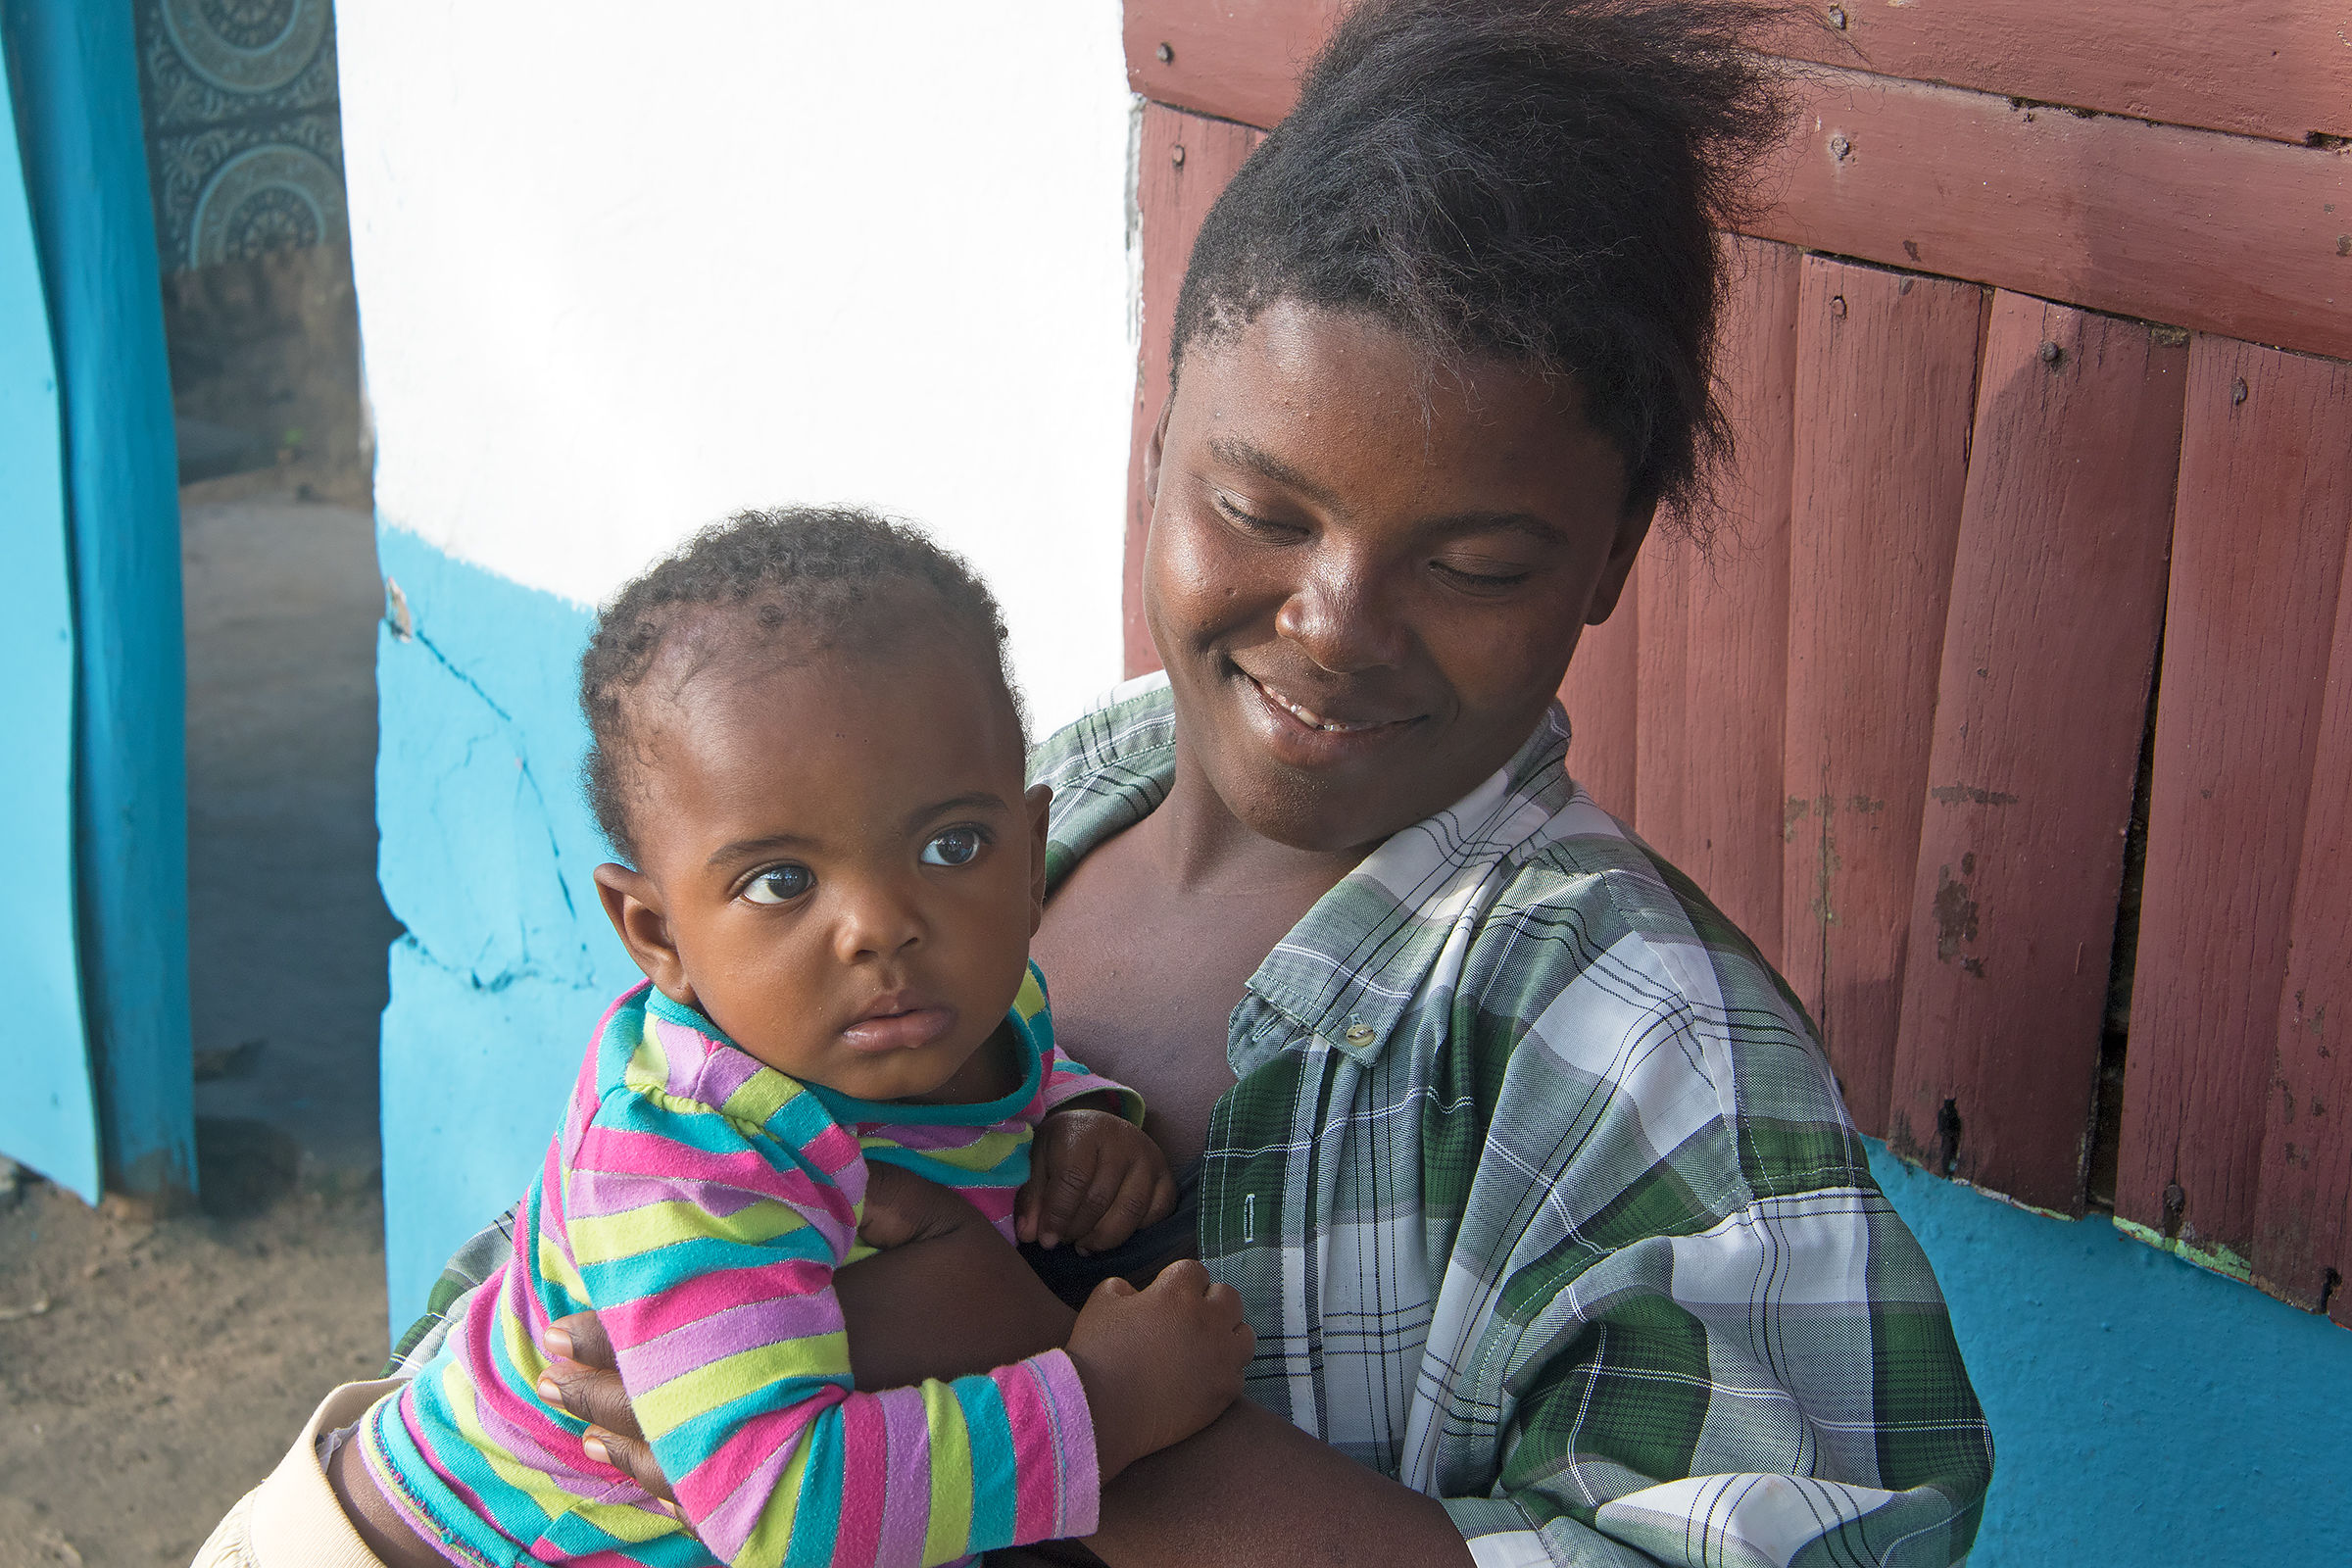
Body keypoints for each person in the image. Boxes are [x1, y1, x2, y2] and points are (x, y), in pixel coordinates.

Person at [209, 1, 1995, 1564]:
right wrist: (548, 1367)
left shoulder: (1638, 1058)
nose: (1333, 627)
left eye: (1475, 563)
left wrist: (1016, 1366)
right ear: (1159, 447)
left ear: (1607, 559)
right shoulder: (1004, 813)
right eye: (1261, 510)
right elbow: (610, 1198)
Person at [194, 509, 1255, 1568]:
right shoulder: (688, 1154)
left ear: (1030, 858)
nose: (881, 924)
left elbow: (1006, 1072)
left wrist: (1074, 1116)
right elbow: (787, 1508)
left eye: (951, 844)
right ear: (659, 936)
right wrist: (1107, 1400)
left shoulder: (975, 1003)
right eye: (780, 880)